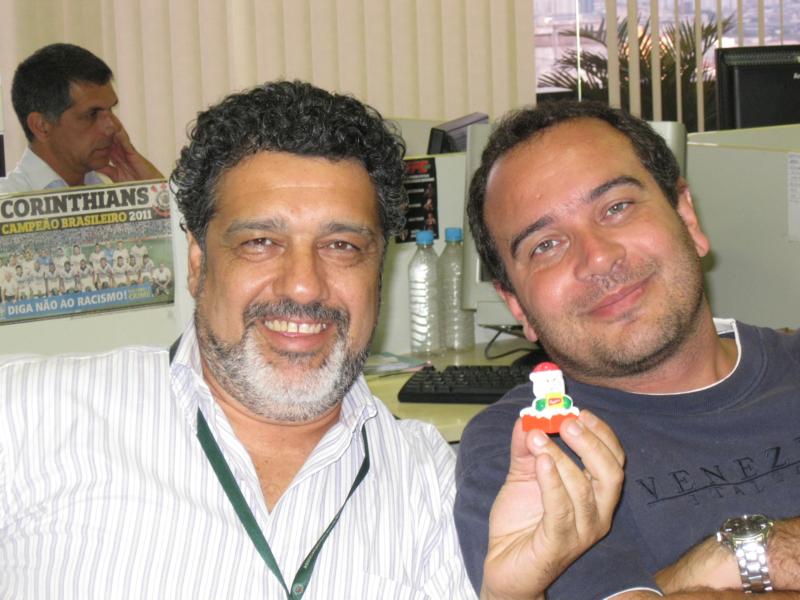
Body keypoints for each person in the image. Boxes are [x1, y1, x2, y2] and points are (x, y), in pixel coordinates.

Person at [0, 81, 625, 599]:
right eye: (260, 242)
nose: (303, 285)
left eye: (341, 245)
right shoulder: (29, 415)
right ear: (197, 262)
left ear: (378, 270)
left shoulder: (429, 481)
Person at [455, 100, 800, 598]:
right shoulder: (529, 453)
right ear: (516, 306)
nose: (597, 257)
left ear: (687, 217)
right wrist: (753, 553)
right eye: (545, 245)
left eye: (616, 208)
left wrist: (734, 560)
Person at [0, 43, 162, 195]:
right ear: (41, 126)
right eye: (92, 114)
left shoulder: (114, 189)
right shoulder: (7, 203)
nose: (112, 126)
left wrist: (150, 192)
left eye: (111, 110)